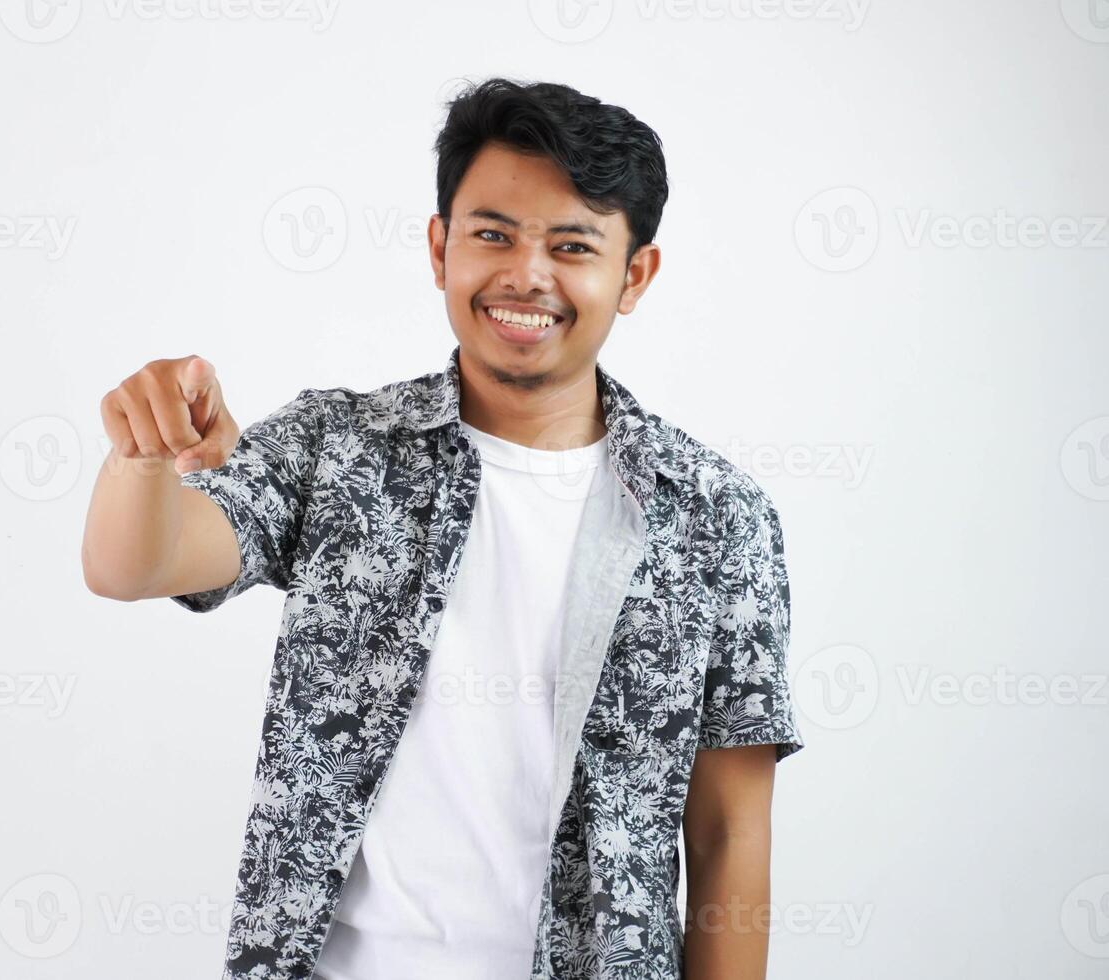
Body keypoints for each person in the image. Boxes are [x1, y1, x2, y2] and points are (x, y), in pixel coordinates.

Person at [82, 77, 805, 980]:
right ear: (440, 248)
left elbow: (731, 831)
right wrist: (142, 455)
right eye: (492, 234)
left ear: (635, 275)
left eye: (572, 244)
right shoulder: (337, 447)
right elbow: (136, 563)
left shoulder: (716, 516)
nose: (525, 275)